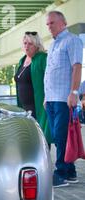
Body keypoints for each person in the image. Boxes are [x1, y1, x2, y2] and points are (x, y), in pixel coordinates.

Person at [44, 11, 83, 187]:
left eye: (52, 23)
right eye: (47, 24)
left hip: (63, 98)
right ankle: (71, 172)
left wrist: (74, 92)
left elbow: (77, 66)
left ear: (63, 23)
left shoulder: (72, 40)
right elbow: (50, 72)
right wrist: (46, 97)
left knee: (61, 136)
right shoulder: (52, 45)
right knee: (60, 136)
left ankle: (60, 173)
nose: (49, 26)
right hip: (52, 99)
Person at [15, 31, 52, 145]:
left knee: (41, 138)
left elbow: (50, 80)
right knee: (27, 138)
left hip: (38, 106)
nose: (26, 46)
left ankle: (43, 161)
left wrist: (47, 98)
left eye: (30, 44)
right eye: (25, 43)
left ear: (36, 45)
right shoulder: (22, 60)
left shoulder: (42, 58)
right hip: (24, 107)